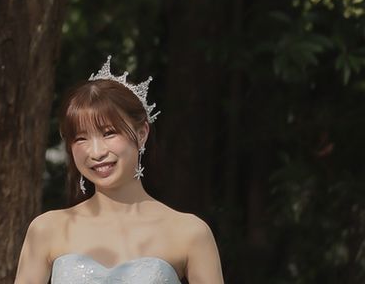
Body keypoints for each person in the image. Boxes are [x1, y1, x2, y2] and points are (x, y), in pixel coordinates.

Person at [13, 59, 223, 284]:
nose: (96, 152)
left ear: (141, 133)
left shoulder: (189, 232)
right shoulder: (47, 229)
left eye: (109, 133)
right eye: (81, 138)